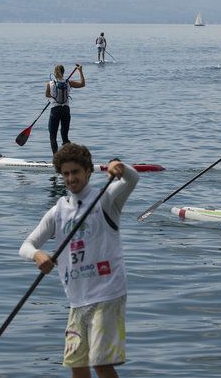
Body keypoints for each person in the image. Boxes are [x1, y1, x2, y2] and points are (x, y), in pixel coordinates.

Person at [20, 144, 139, 377]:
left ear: (88, 171)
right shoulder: (58, 211)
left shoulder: (106, 199)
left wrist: (121, 168)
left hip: (107, 294)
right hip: (77, 299)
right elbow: (26, 245)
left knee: (101, 363)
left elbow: (132, 180)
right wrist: (37, 255)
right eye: (65, 174)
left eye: (76, 172)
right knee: (77, 363)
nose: (71, 178)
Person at [46, 64, 86, 155]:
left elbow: (47, 95)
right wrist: (80, 71)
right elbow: (82, 84)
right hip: (66, 111)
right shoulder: (68, 82)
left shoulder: (50, 83)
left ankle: (56, 160)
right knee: (65, 137)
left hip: (55, 111)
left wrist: (52, 96)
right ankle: (70, 158)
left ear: (54, 73)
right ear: (63, 72)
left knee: (53, 137)